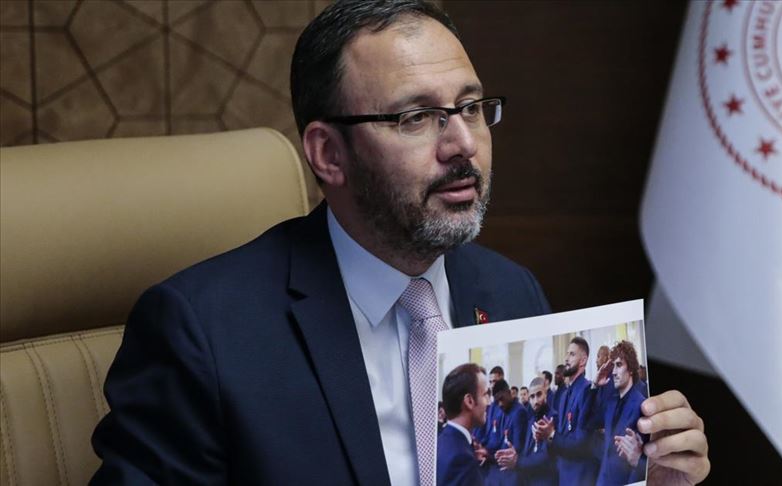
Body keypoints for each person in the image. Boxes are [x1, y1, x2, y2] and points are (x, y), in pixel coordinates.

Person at [90, 1, 709, 485]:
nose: (462, 143)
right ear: (329, 153)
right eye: (415, 118)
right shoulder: (204, 332)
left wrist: (643, 478)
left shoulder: (509, 290)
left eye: (471, 107)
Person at [534, 337, 598, 485]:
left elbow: (582, 445)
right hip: (563, 475)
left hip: (580, 477)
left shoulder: (587, 390)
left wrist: (551, 434)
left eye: (572, 354)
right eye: (567, 353)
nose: (566, 358)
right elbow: (560, 435)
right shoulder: (563, 395)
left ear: (583, 361)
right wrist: (545, 435)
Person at [584, 341, 648, 486]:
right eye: (613, 366)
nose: (613, 372)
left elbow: (645, 462)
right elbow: (587, 421)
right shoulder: (610, 403)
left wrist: (638, 460)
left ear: (630, 369)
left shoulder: (641, 406)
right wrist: (594, 385)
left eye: (619, 365)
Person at [496, 377, 557, 486]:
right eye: (532, 397)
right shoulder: (531, 421)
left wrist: (517, 461)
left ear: (546, 394)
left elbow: (545, 458)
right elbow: (526, 451)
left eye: (539, 394)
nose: (536, 401)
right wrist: (514, 455)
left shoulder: (553, 419)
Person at [438, 363, 490, 486]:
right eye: (485, 394)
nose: (489, 402)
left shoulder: (442, 441)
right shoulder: (462, 460)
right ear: (469, 401)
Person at [487, 380, 529, 486]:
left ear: (509, 393)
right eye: (497, 401)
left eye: (502, 399)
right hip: (500, 467)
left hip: (513, 471)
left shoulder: (519, 412)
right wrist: (486, 453)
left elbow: (517, 448)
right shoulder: (502, 411)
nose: (500, 404)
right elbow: (497, 441)